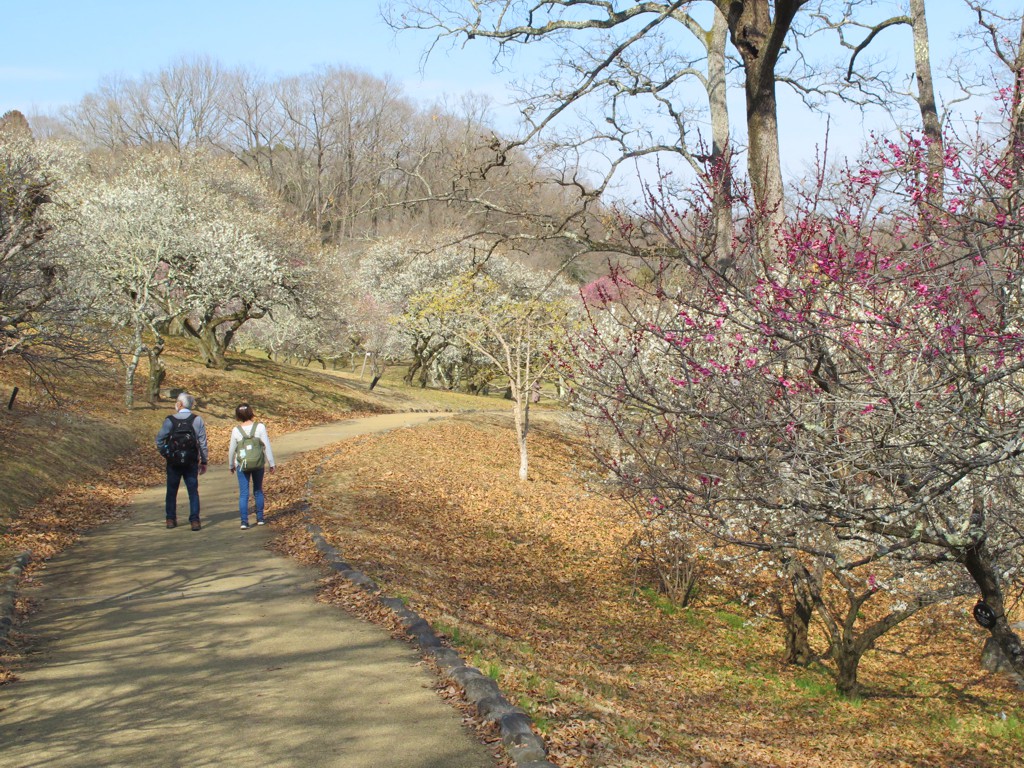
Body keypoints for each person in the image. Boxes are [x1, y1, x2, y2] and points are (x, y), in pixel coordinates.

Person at [155, 392, 209, 530]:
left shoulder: (170, 420)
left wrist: (166, 453)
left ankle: (170, 519)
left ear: (179, 404)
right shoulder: (197, 420)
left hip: (173, 461)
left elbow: (159, 440)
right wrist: (204, 461)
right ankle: (195, 520)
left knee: (172, 491)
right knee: (193, 491)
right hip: (191, 461)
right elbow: (202, 443)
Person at [228, 403, 276, 530]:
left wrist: (231, 464)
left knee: (244, 493)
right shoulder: (260, 427)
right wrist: (271, 463)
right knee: (258, 490)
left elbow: (232, 450)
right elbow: (266, 446)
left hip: (242, 464)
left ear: (237, 416)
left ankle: (244, 521)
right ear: (251, 413)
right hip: (258, 463)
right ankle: (260, 518)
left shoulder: (236, 430)